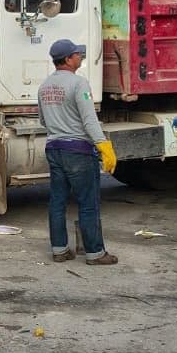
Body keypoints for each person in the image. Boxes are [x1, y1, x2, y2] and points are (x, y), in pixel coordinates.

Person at [38, 38, 117, 266]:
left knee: (57, 202)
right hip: (78, 152)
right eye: (76, 54)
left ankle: (60, 250)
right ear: (67, 59)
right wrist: (103, 144)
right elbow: (89, 120)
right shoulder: (79, 84)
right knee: (88, 203)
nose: (80, 57)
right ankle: (95, 253)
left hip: (54, 149)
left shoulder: (44, 86)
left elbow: (43, 120)